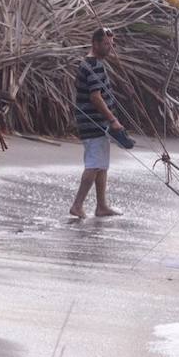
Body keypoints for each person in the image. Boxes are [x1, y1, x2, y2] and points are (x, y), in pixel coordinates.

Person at [70, 27, 125, 218]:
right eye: (106, 44)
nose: (110, 48)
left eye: (112, 44)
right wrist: (113, 119)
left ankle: (101, 206)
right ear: (95, 43)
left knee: (101, 165)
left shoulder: (91, 63)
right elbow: (96, 97)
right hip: (93, 122)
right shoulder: (93, 65)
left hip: (95, 122)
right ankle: (77, 205)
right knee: (94, 165)